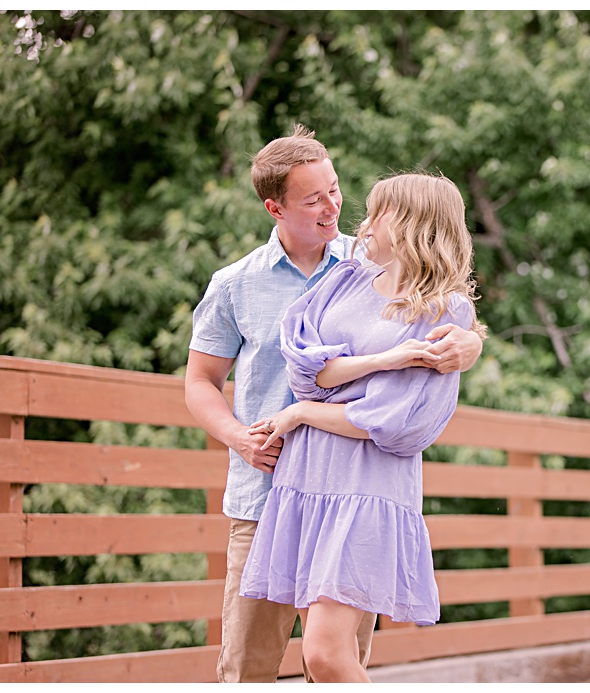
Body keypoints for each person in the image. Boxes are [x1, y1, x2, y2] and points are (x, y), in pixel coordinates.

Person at [186, 126, 483, 683]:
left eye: (336, 189)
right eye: (313, 198)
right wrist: (237, 436)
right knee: (247, 666)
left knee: (336, 660)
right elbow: (200, 381)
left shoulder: (368, 259)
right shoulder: (236, 285)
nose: (334, 207)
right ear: (275, 207)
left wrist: (471, 344)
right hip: (266, 490)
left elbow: (441, 303)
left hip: (353, 487)